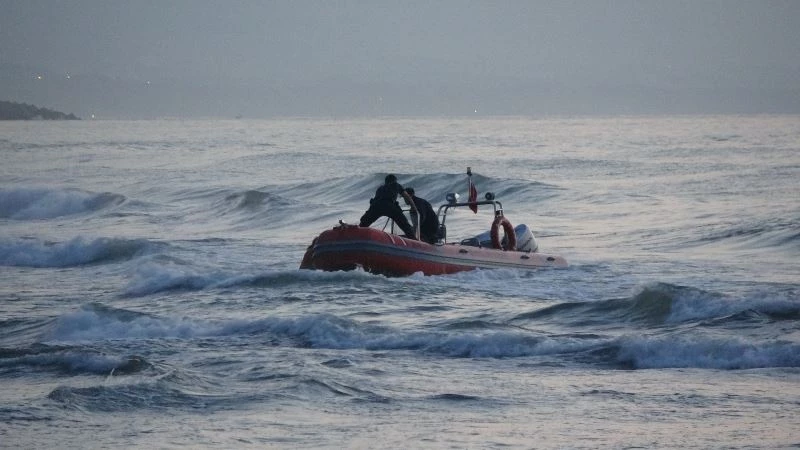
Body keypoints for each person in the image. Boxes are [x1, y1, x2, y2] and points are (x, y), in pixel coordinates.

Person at [359, 174, 418, 239]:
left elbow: (375, 200)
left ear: (386, 182)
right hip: (389, 206)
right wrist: (413, 207)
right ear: (394, 180)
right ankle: (413, 239)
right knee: (405, 225)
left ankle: (356, 234)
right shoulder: (396, 185)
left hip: (376, 206)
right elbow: (406, 196)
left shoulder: (380, 188)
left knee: (364, 223)